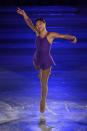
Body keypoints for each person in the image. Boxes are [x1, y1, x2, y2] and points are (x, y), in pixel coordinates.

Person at [16, 7, 77, 113]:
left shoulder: (50, 35)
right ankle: (40, 71)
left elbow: (62, 36)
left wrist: (72, 38)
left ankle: (43, 101)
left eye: (40, 24)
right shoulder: (37, 33)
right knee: (38, 70)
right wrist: (24, 14)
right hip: (36, 59)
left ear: (44, 24)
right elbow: (29, 22)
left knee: (43, 83)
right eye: (37, 25)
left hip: (46, 61)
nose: (38, 26)